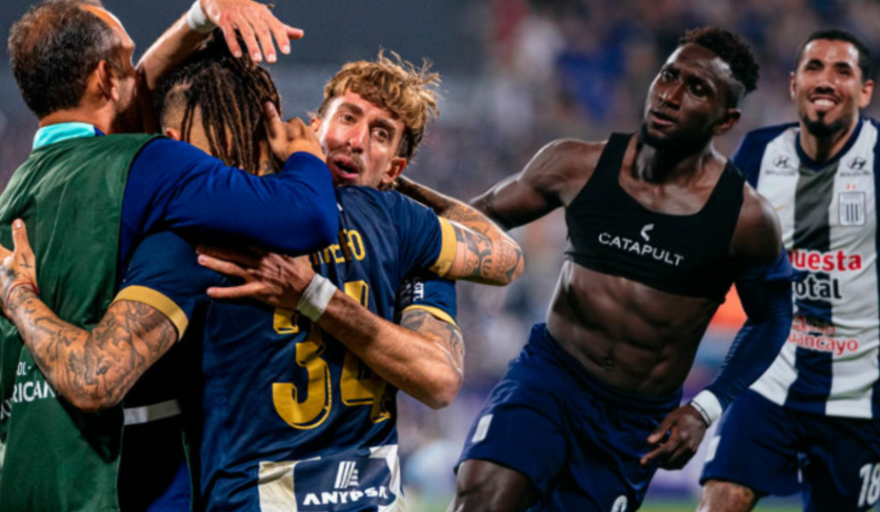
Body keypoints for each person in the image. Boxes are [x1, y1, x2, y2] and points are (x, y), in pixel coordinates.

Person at [0, 40, 523, 511]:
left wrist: (17, 290)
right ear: (310, 126)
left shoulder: (207, 236)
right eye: (347, 118)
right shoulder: (410, 232)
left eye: (380, 135)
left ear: (395, 168)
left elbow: (95, 374)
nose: (357, 141)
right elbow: (502, 255)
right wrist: (403, 191)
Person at [409, 26, 794, 512]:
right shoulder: (576, 165)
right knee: (481, 498)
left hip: (632, 421)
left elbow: (773, 317)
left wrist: (705, 406)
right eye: (668, 76)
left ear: (725, 119)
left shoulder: (745, 218)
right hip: (550, 378)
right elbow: (472, 221)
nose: (671, 95)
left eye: (697, 89)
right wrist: (390, 210)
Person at [0, 1, 338, 511]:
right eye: (127, 61)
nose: (141, 75)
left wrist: (203, 14)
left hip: (26, 479)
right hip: (123, 488)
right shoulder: (152, 163)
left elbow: (135, 90)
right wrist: (306, 156)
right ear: (104, 78)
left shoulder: (16, 195)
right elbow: (309, 217)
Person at [698, 29, 880, 512]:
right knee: (722, 498)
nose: (826, 80)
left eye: (843, 70)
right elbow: (711, 251)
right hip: (770, 379)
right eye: (814, 67)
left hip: (860, 396)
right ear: (794, 83)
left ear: (865, 91)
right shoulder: (759, 154)